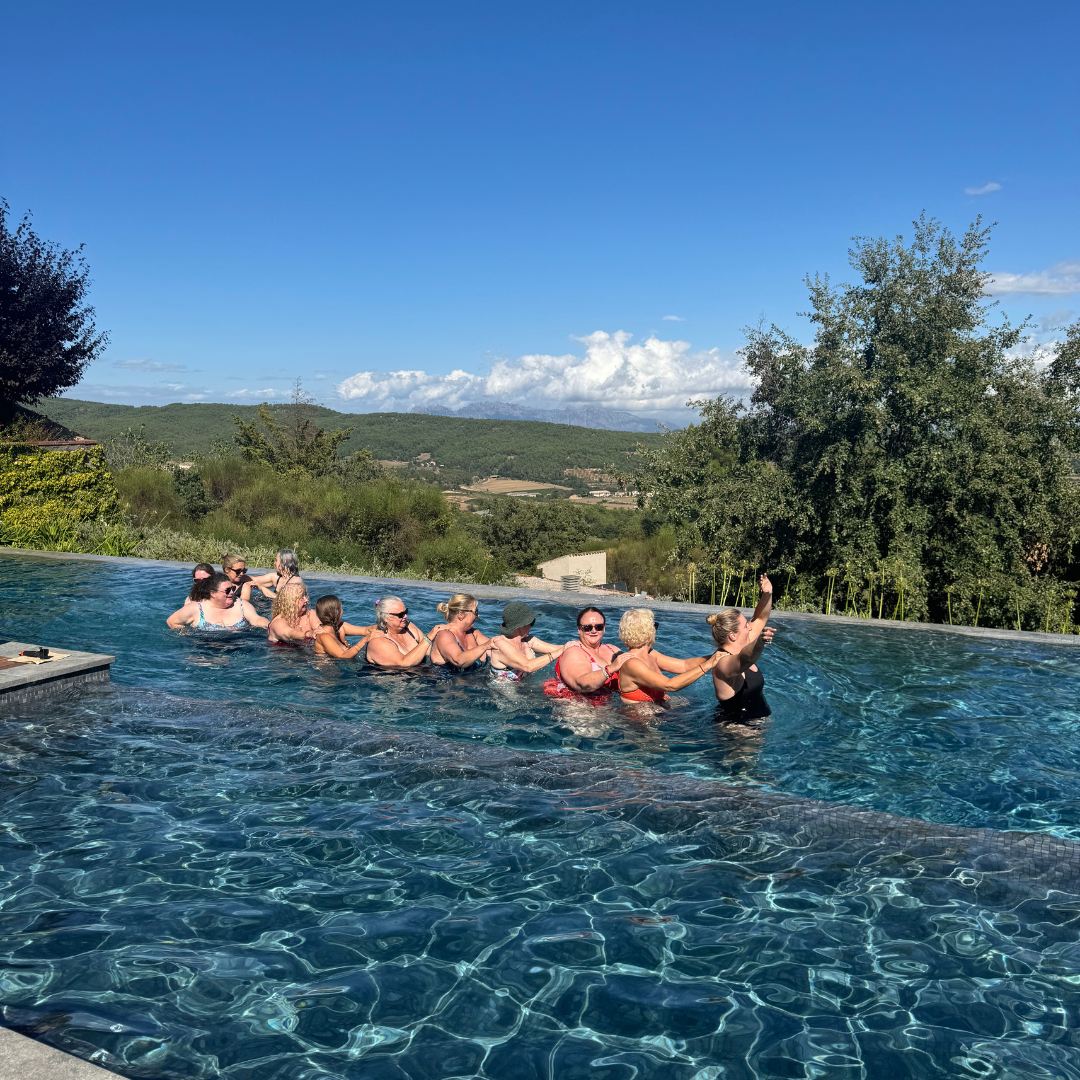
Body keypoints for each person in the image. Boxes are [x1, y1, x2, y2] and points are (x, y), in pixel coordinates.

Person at [615, 608, 719, 703]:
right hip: (640, 720)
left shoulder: (650, 654)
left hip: (657, 710)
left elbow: (684, 665)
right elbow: (670, 685)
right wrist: (708, 665)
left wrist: (716, 656)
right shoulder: (632, 663)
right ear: (648, 631)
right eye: (654, 625)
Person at [709, 573, 775, 719]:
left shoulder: (742, 641)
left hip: (755, 726)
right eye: (746, 626)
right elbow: (746, 659)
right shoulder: (722, 663)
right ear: (732, 635)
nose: (750, 628)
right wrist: (759, 642)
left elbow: (760, 618)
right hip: (737, 734)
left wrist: (767, 594)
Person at [544, 605, 626, 700]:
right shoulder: (574, 652)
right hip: (580, 706)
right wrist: (610, 669)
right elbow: (582, 684)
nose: (593, 631)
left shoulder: (613, 649)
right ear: (579, 629)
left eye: (598, 627)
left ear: (604, 628)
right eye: (587, 628)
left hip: (609, 703)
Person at [487, 601, 564, 678]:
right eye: (531, 621)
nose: (532, 625)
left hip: (523, 687)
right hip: (503, 689)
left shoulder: (527, 641)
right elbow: (528, 666)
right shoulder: (500, 644)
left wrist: (572, 646)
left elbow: (558, 649)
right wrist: (560, 651)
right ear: (522, 625)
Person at [167, 572, 269, 631]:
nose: (232, 592)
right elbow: (171, 621)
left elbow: (256, 620)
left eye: (233, 588)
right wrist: (184, 633)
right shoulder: (196, 609)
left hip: (237, 648)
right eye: (227, 590)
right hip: (204, 650)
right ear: (212, 593)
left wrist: (270, 626)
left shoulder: (241, 605)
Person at [366, 595, 433, 668]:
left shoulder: (409, 627)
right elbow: (404, 664)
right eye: (400, 614)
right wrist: (429, 637)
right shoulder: (378, 642)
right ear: (386, 617)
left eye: (406, 612)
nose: (405, 616)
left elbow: (430, 650)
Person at [430, 593, 491, 670]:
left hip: (471, 679)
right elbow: (458, 661)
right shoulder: (444, 635)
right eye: (475, 612)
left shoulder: (473, 633)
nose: (478, 616)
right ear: (461, 614)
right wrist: (485, 646)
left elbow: (494, 648)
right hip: (444, 680)